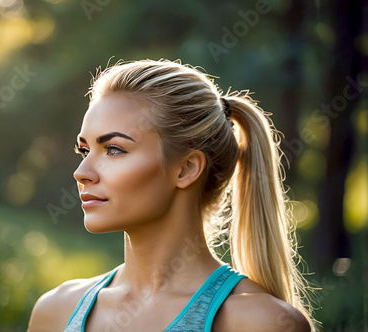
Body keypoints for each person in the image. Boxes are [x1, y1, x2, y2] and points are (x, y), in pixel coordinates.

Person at [28, 59, 314, 331]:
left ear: (186, 169)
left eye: (114, 149)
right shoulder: (55, 311)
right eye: (84, 150)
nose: (82, 172)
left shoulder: (261, 323)